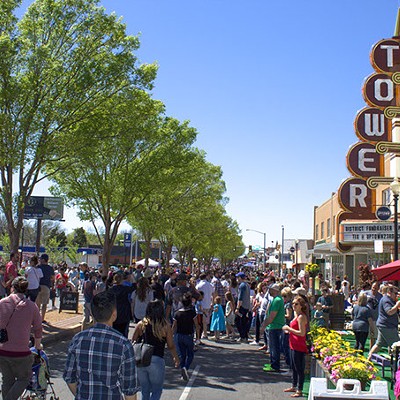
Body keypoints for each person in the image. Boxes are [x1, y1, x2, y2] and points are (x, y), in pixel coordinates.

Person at [64, 291, 138, 399]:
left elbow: (69, 378)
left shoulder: (78, 339)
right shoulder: (123, 345)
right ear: (114, 314)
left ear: (93, 313)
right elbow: (130, 391)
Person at [0, 277, 42, 400]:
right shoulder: (32, 306)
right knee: (24, 378)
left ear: (12, 288)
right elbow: (38, 329)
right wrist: (38, 345)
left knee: (7, 379)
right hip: (21, 353)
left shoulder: (2, 303)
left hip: (2, 350)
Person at [132, 300, 179, 400]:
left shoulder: (141, 324)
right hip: (157, 359)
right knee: (156, 390)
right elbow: (171, 345)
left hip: (141, 359)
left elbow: (133, 341)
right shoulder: (165, 326)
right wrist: (175, 358)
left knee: (145, 389)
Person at [282, 295, 308, 398]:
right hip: (292, 344)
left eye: (296, 304)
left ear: (301, 306)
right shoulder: (295, 316)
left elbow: (302, 333)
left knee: (299, 368)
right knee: (293, 366)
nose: (294, 306)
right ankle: (294, 385)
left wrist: (289, 329)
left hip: (299, 345)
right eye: (293, 303)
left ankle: (300, 389)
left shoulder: (301, 317)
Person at [368, 285, 400, 361]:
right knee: (397, 345)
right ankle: (396, 364)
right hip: (387, 326)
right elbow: (389, 311)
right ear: (389, 292)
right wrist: (397, 304)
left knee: (378, 344)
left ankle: (368, 360)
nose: (396, 295)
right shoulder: (386, 300)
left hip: (383, 325)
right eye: (395, 293)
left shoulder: (389, 300)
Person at [172, 292, 198, 381]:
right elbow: (197, 325)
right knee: (190, 354)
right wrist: (197, 337)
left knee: (182, 355)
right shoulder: (192, 313)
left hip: (179, 335)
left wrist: (171, 337)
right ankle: (185, 368)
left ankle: (183, 369)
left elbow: (174, 326)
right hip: (188, 335)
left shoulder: (177, 313)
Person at [261, 283, 285, 372]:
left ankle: (275, 365)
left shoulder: (277, 300)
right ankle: (273, 363)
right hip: (273, 326)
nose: (269, 291)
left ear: (275, 290)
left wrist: (263, 325)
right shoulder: (276, 299)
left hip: (275, 326)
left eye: (270, 289)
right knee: (272, 346)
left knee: (274, 347)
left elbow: (271, 317)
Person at [109, 272, 135, 337]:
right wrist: (132, 278)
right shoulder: (125, 289)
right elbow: (134, 286)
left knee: (114, 332)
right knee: (124, 333)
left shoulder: (111, 290)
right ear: (122, 280)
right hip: (125, 312)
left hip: (114, 312)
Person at [35, 254, 55, 323]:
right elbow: (53, 278)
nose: (39, 260)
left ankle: (36, 319)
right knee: (44, 304)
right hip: (46, 286)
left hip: (38, 286)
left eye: (40, 259)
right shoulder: (50, 268)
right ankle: (42, 319)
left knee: (37, 304)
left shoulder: (38, 267)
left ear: (43, 260)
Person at [195, 273, 214, 339]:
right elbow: (213, 293)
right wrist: (212, 302)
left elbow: (196, 293)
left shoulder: (199, 285)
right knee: (206, 319)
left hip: (201, 304)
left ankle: (204, 333)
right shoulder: (210, 285)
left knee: (203, 320)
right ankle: (204, 332)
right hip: (208, 303)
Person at [364, 281, 382, 348]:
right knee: (364, 335)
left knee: (373, 335)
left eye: (375, 288)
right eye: (373, 287)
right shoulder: (366, 294)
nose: (373, 289)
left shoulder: (380, 296)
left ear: (378, 289)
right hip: (366, 318)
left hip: (375, 318)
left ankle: (371, 350)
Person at [234, 272, 251, 343]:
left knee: (238, 321)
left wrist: (237, 308)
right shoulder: (247, 285)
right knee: (244, 321)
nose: (237, 279)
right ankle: (245, 336)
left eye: (238, 277)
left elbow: (240, 298)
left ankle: (243, 336)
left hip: (242, 306)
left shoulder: (242, 286)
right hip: (246, 306)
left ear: (240, 278)